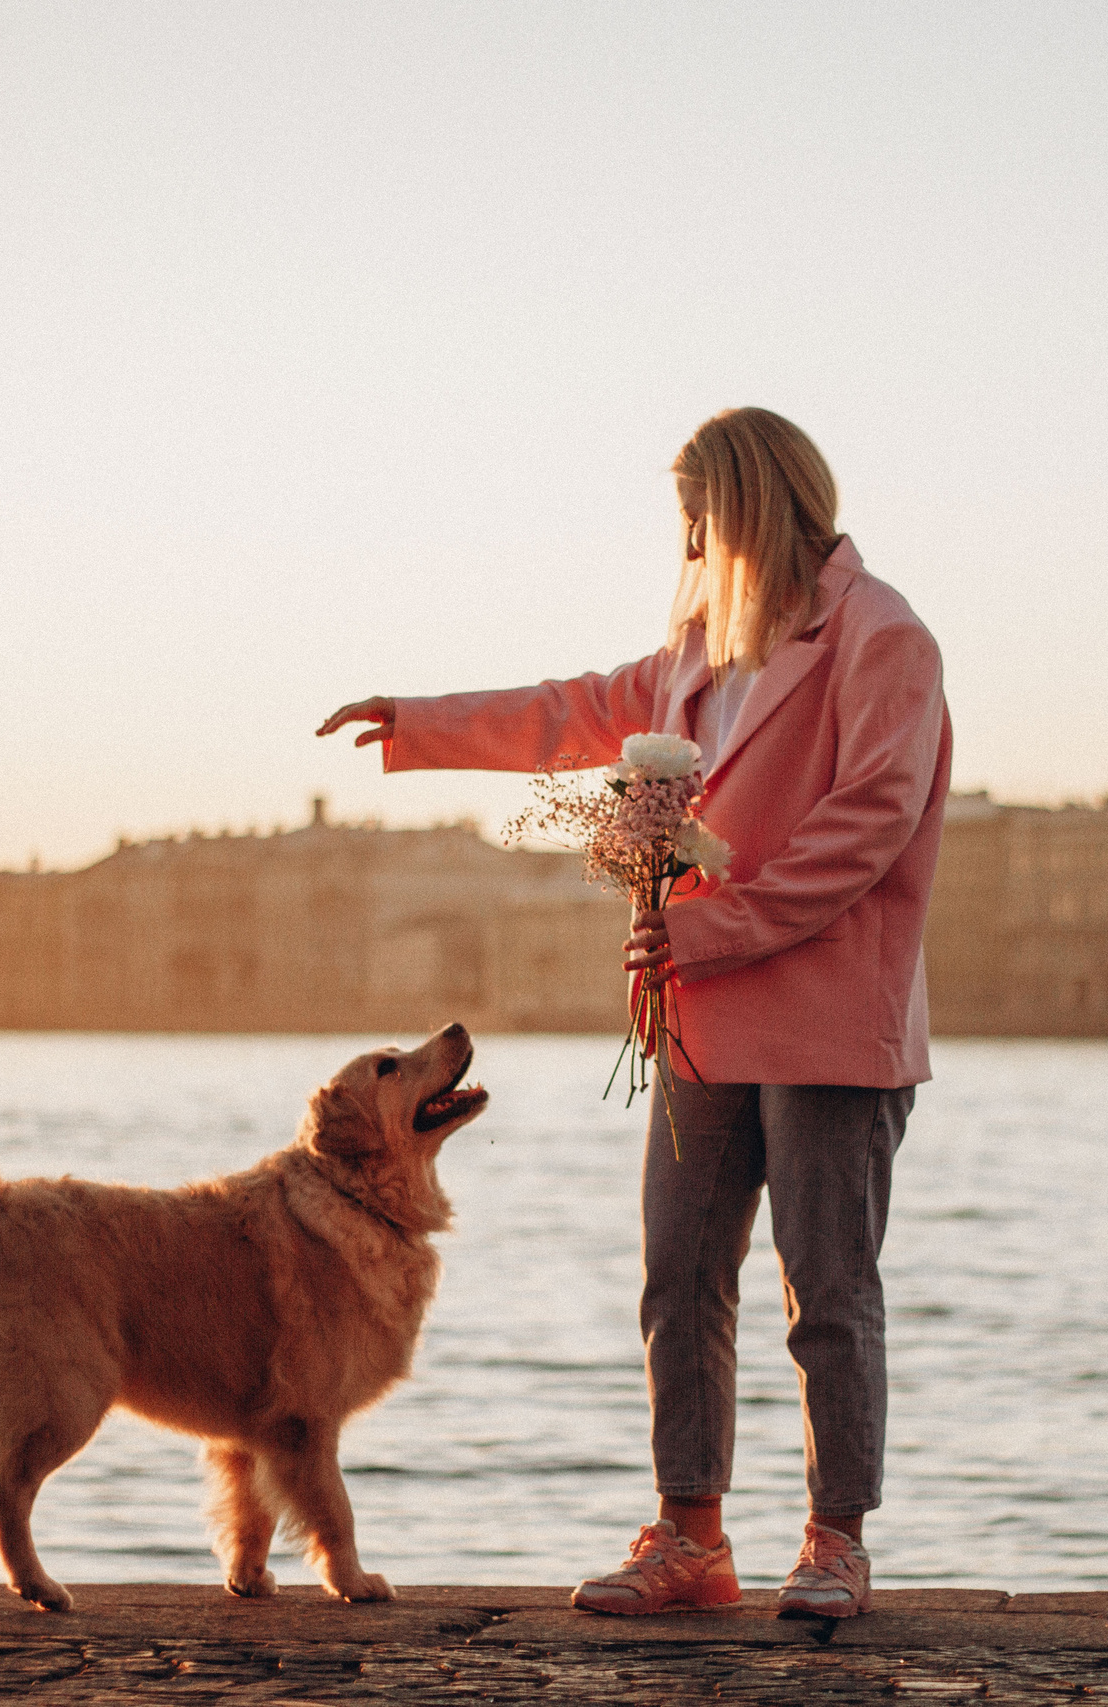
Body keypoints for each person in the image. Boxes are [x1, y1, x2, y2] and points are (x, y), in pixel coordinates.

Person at [317, 407, 949, 1619]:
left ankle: (833, 1544)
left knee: (827, 1291)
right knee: (678, 1280)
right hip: (704, 1020)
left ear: (753, 499)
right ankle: (691, 1539)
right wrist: (418, 720)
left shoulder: (884, 637)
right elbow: (571, 709)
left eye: (700, 512)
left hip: (828, 1020)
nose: (692, 538)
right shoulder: (699, 651)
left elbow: (867, 826)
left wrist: (710, 926)